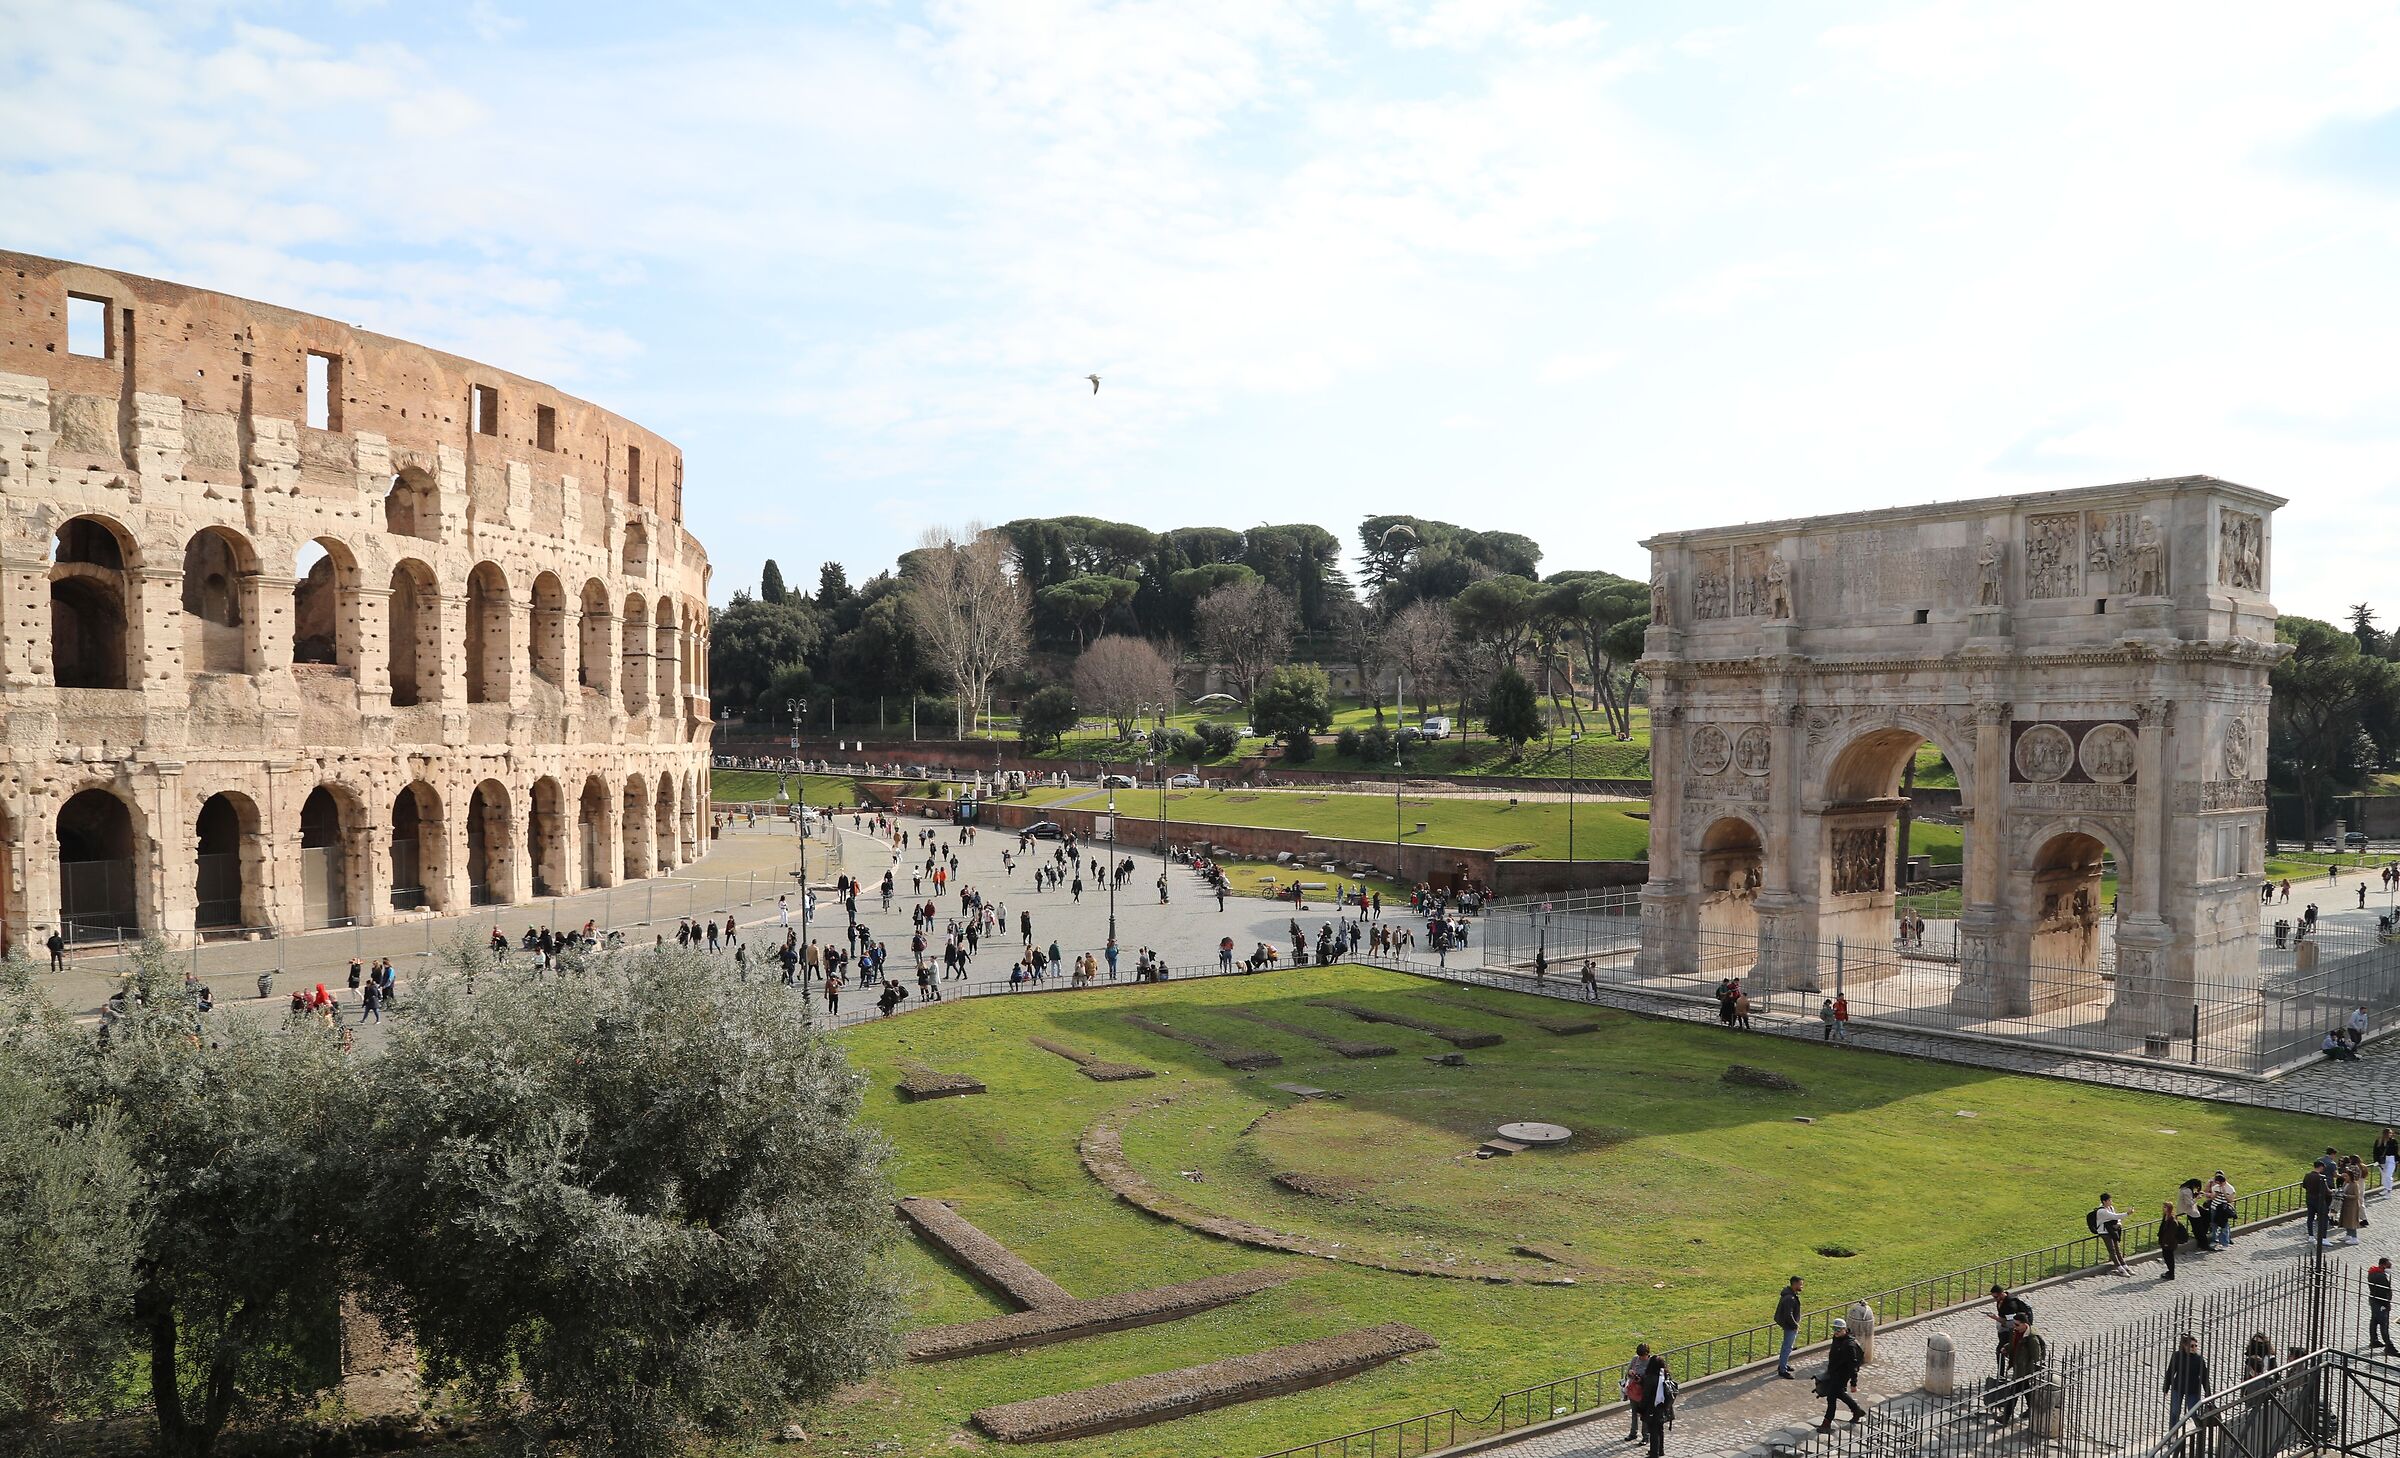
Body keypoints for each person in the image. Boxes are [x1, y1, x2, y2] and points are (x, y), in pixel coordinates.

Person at [1993, 1312, 2046, 1427]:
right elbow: (2014, 1344)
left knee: (2014, 1393)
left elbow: (2037, 1358)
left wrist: (2031, 1371)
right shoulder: (2016, 1332)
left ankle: (2005, 1417)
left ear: (2024, 1324)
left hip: (2025, 1370)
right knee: (2026, 1390)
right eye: (2014, 1324)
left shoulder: (2032, 1339)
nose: (2014, 1326)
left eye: (2017, 1324)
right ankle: (2033, 1410)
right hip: (2018, 1367)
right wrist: (2006, 1347)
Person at [1816, 1317, 1864, 1430]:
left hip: (1842, 1375)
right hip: (1834, 1372)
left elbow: (1853, 1365)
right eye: (1834, 1329)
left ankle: (1826, 1422)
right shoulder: (1837, 1338)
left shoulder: (1849, 1345)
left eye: (1838, 1329)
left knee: (1831, 1398)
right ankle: (1857, 1410)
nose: (1836, 1332)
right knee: (1840, 1394)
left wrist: (1854, 1382)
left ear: (1845, 1329)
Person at [1629, 1343, 1669, 1457]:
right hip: (1662, 1407)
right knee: (1660, 1430)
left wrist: (1642, 1408)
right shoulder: (1664, 1375)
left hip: (1653, 1408)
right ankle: (1660, 1450)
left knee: (1654, 1431)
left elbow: (1646, 1394)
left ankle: (1654, 1453)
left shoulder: (1650, 1378)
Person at [2163, 1334, 2209, 1426]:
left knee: (2193, 1412)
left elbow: (2204, 1378)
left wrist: (2208, 1393)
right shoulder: (2177, 1356)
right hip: (2178, 1387)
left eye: (2196, 1345)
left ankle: (2200, 1429)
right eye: (2192, 1346)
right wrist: (2166, 1387)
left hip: (2193, 1389)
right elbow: (2170, 1371)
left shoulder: (2199, 1359)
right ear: (2185, 1346)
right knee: (2175, 1411)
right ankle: (2173, 1433)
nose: (2194, 1348)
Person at [1773, 1276, 1804, 1378]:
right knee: (1787, 1347)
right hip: (1790, 1327)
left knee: (1786, 1347)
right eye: (1800, 1284)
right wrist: (1795, 1325)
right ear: (1794, 1284)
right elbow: (1788, 1314)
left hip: (1789, 1326)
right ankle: (1782, 1369)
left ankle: (1783, 1364)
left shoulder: (1789, 1295)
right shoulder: (1790, 1298)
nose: (1801, 1286)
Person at [2093, 1194, 2130, 1274]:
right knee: (2112, 1250)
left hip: (2111, 1231)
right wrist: (2127, 1214)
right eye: (2109, 1200)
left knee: (2117, 1249)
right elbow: (2114, 1216)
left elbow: (2116, 1218)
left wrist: (2119, 1223)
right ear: (2104, 1201)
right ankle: (2120, 1268)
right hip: (2104, 1232)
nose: (2111, 1202)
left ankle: (2124, 1265)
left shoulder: (2110, 1208)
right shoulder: (2102, 1211)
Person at [2368, 1257, 2398, 1356]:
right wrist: (2387, 1304)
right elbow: (2382, 1293)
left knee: (2374, 1321)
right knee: (2384, 1324)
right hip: (2380, 1303)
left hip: (2374, 1300)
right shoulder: (2380, 1277)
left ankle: (2374, 1340)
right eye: (2388, 1266)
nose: (2390, 1268)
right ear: (2382, 1265)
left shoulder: (2373, 1273)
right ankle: (2389, 1346)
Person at [2305, 1162, 2334, 1246]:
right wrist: (2332, 1191)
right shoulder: (2321, 1177)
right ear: (2321, 1167)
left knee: (2310, 1217)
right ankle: (2323, 1238)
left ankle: (2311, 1236)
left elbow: (2305, 1186)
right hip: (2319, 1200)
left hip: (2309, 1198)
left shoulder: (2307, 1175)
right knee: (2324, 1218)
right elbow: (2327, 1190)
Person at [2157, 1201, 2186, 1280]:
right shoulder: (2165, 1217)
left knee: (2169, 1257)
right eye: (2163, 1207)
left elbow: (2171, 1234)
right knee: (2166, 1256)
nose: (2163, 1209)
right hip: (2164, 1241)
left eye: (2165, 1207)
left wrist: (2166, 1243)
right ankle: (2170, 1271)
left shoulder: (2172, 1220)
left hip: (2169, 1243)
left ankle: (2171, 1273)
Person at [2377, 1128, 2399, 1202]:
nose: (2390, 1134)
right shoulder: (2380, 1141)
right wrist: (2376, 1161)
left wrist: (2397, 1160)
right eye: (2388, 1133)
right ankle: (2386, 1188)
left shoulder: (2393, 1141)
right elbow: (2376, 1151)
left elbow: (2396, 1152)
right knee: (2384, 1175)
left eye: (2391, 1133)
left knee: (2388, 1175)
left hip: (2391, 1159)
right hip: (2383, 1160)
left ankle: (2389, 1191)